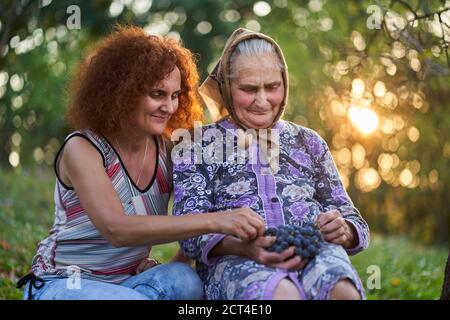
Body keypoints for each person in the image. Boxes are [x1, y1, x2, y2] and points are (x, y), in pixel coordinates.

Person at [17, 25, 265, 300]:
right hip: (63, 283)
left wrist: (180, 259)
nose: (169, 107)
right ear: (123, 92)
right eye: (157, 94)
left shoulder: (169, 150)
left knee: (186, 280)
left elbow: (197, 203)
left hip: (128, 282)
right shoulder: (83, 148)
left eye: (174, 95)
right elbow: (117, 229)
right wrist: (216, 221)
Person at [172, 28, 370, 300]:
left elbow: (352, 219)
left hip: (315, 252)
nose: (262, 101)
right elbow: (188, 232)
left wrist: (344, 230)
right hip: (235, 261)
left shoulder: (309, 142)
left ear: (284, 84)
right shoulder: (196, 145)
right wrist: (243, 246)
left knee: (343, 293)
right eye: (249, 89)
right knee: (281, 294)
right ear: (227, 88)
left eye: (272, 87)